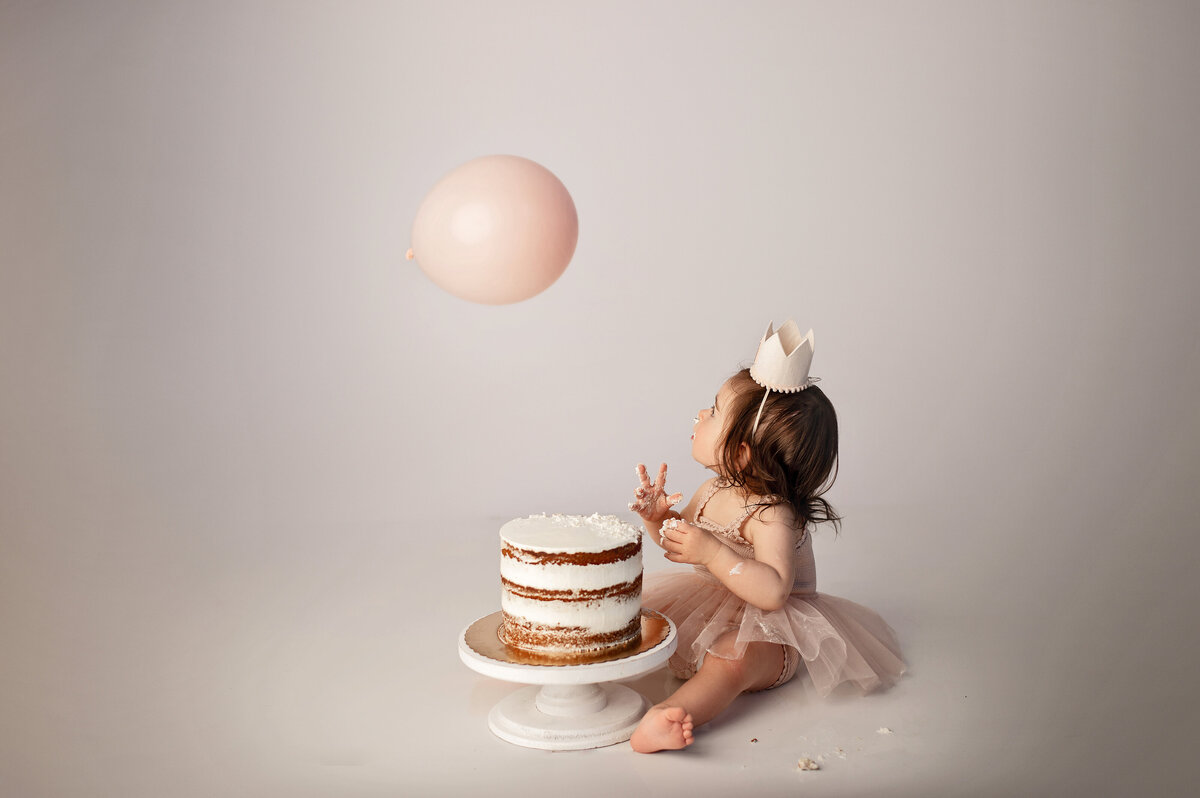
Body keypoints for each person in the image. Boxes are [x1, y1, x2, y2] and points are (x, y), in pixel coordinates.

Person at [627, 323, 905, 753]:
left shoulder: (772, 514)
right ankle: (592, 682)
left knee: (730, 659)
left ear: (742, 452)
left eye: (714, 412)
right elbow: (677, 543)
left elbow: (774, 592)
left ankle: (671, 715)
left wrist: (714, 552)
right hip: (712, 603)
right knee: (639, 619)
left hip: (775, 631)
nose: (700, 416)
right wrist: (657, 517)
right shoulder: (716, 488)